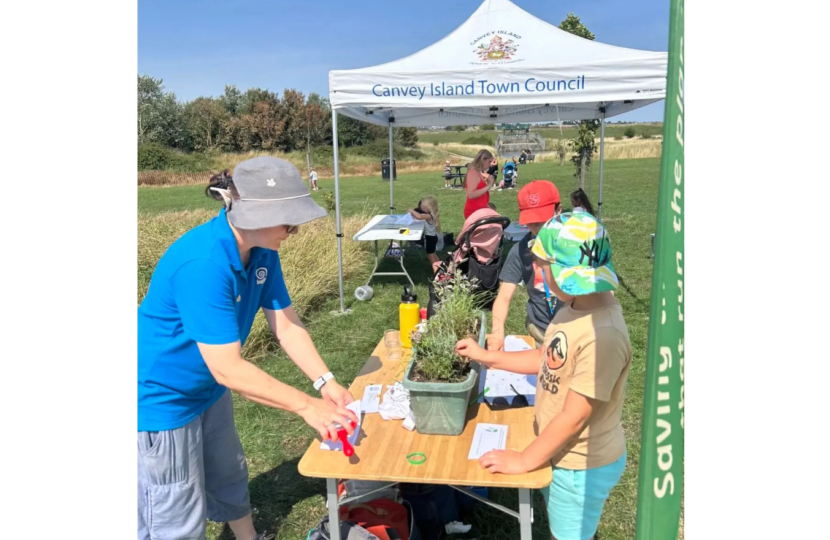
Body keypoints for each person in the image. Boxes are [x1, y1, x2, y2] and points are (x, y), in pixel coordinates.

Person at [138, 157, 358, 540]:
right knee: (175, 512)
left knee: (228, 473)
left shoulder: (262, 252)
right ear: (252, 214)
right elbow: (230, 369)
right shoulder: (203, 263)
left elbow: (286, 325)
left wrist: (326, 382)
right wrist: (307, 406)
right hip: (162, 399)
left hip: (208, 388)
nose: (294, 228)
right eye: (286, 218)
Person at [456, 212, 631, 540]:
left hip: (581, 465)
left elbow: (574, 417)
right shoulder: (575, 306)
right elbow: (546, 358)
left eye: (542, 264)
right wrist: (487, 356)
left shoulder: (602, 335)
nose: (535, 271)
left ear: (567, 272)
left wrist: (524, 459)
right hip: (561, 453)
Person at [487, 181, 562, 350]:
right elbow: (504, 297)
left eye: (543, 220)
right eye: (532, 222)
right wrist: (497, 332)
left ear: (559, 210)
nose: (537, 228)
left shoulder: (577, 244)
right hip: (540, 330)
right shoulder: (520, 250)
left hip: (577, 330)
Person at [408, 195, 441, 269]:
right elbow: (420, 216)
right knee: (433, 254)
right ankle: (440, 267)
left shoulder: (429, 216)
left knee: (430, 255)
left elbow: (419, 216)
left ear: (429, 208)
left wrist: (412, 211)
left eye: (423, 207)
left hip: (430, 239)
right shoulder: (431, 215)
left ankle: (437, 272)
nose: (421, 208)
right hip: (433, 238)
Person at [463, 149, 496, 219]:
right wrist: (489, 185)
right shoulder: (473, 172)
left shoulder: (478, 172)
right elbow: (471, 194)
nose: (490, 164)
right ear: (483, 160)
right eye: (489, 162)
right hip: (474, 211)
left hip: (480, 210)